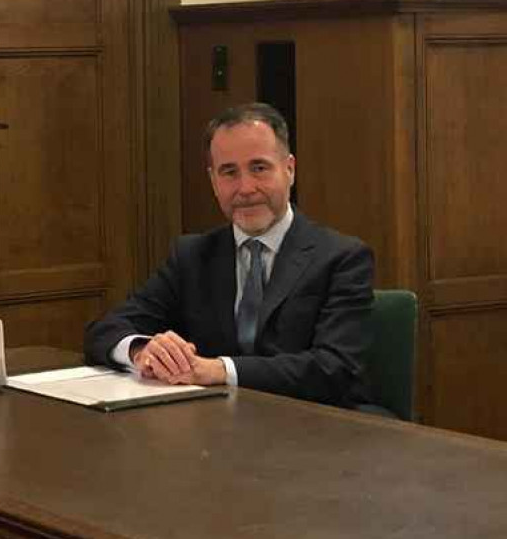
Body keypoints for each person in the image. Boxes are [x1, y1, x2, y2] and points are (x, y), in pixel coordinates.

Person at [84, 103, 374, 408]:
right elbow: (104, 329)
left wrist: (220, 369)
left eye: (259, 168)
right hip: (216, 428)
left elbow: (333, 368)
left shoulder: (342, 257)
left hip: (314, 428)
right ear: (213, 181)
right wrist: (142, 350)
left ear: (289, 170)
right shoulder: (192, 256)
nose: (245, 188)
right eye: (229, 172)